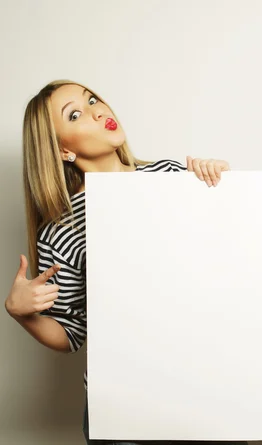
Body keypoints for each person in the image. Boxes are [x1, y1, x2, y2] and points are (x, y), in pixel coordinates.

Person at [4, 80, 241, 445]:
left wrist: (216, 183)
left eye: (93, 99)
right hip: (121, 405)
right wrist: (22, 313)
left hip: (206, 387)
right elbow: (71, 334)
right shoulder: (60, 229)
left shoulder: (172, 177)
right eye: (76, 114)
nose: (99, 111)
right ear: (62, 149)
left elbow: (230, 260)